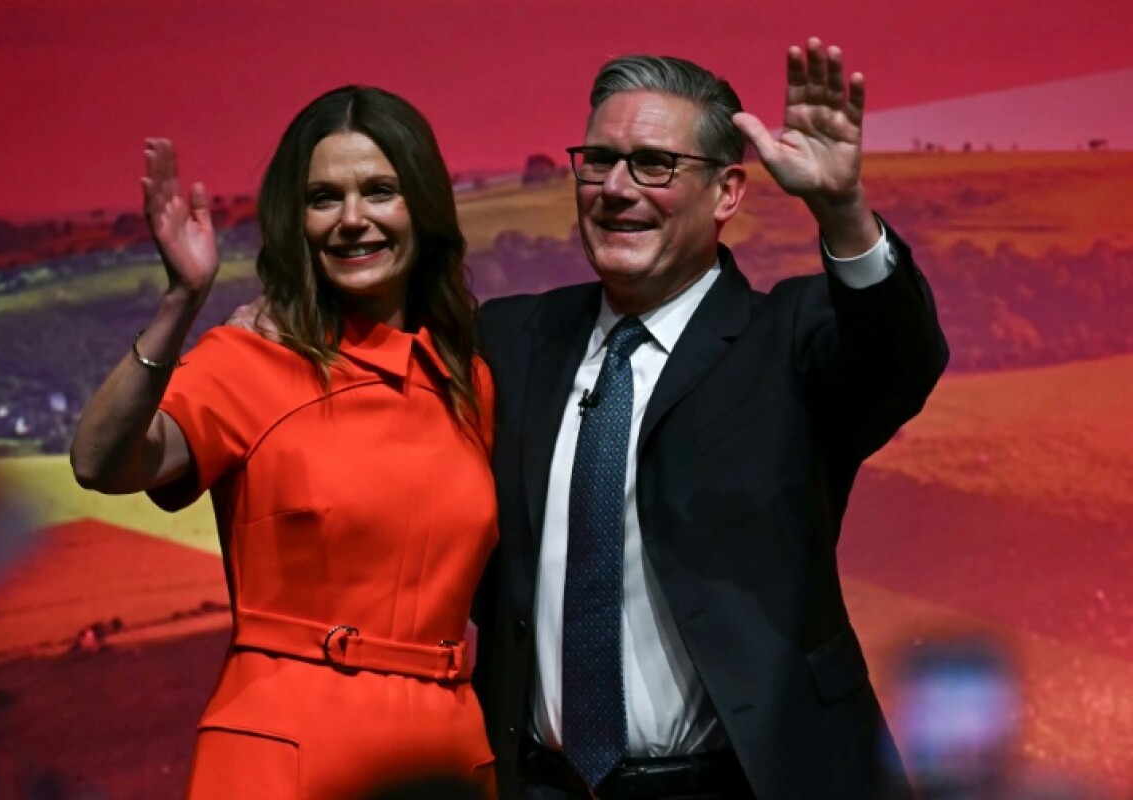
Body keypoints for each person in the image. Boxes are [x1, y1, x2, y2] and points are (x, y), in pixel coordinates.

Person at [470, 39, 949, 799]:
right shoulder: (510, 339)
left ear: (727, 193)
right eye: (598, 160)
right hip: (544, 785)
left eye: (654, 165)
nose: (617, 188)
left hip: (745, 783)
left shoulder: (787, 340)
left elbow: (901, 357)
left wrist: (841, 209)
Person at [69, 86, 498, 798]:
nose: (352, 220)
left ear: (421, 206)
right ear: (295, 220)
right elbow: (101, 463)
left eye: (380, 191)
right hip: (287, 752)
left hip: (449, 756)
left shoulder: (466, 382)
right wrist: (183, 299)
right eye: (324, 198)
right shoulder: (249, 359)